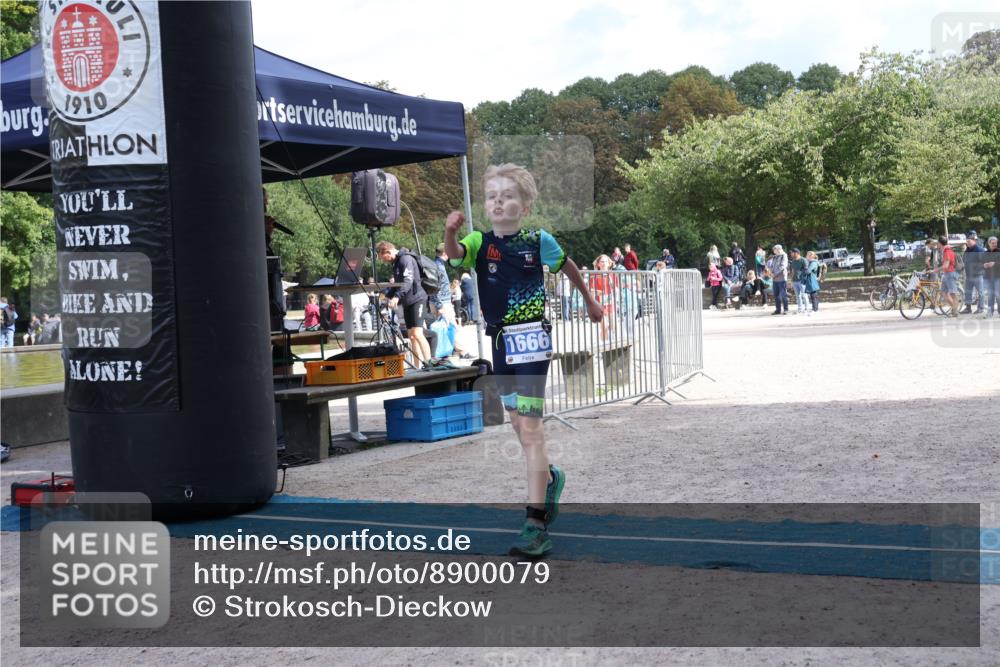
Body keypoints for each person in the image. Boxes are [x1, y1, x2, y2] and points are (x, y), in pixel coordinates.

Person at [444, 163, 602, 558]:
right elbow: (455, 255)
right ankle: (550, 478)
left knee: (530, 431)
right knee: (517, 424)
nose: (498, 201)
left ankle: (535, 524)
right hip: (499, 342)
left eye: (508, 195)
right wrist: (449, 230)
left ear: (525, 206)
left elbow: (567, 265)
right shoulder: (479, 241)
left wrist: (589, 299)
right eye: (492, 195)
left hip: (532, 341)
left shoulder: (538, 240)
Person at [376, 240, 432, 366]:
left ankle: (429, 363)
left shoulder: (405, 259)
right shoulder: (396, 263)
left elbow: (407, 281)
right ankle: (417, 366)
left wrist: (396, 297)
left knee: (418, 333)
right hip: (407, 301)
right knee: (411, 336)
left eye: (383, 257)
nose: (383, 260)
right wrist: (386, 296)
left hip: (418, 299)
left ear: (388, 252)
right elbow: (398, 284)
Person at [590, 254, 617, 340]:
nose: (603, 263)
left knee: (613, 327)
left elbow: (616, 289)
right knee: (604, 326)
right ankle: (604, 346)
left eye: (605, 261)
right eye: (601, 261)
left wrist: (614, 289)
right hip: (600, 304)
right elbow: (590, 290)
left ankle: (612, 345)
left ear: (609, 263)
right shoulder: (594, 276)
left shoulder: (613, 275)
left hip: (611, 304)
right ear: (598, 264)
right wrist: (597, 292)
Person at [933, 235, 960, 317]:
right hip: (946, 274)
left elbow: (945, 266)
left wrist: (934, 270)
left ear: (940, 243)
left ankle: (955, 312)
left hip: (950, 274)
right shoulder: (945, 251)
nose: (937, 245)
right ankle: (954, 309)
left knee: (953, 294)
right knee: (943, 292)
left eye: (937, 243)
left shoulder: (947, 251)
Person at [961, 232, 985, 315]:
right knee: (967, 292)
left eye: (969, 241)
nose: (967, 242)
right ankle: (968, 308)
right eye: (967, 241)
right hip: (969, 275)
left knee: (981, 292)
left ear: (974, 241)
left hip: (978, 275)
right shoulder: (967, 251)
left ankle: (981, 308)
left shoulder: (979, 250)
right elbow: (964, 261)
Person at [766, 245, 789, 315]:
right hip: (775, 279)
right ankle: (778, 310)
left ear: (778, 249)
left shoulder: (784, 256)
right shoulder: (775, 256)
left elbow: (782, 266)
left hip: (782, 278)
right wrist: (770, 272)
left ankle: (786, 309)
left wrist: (774, 274)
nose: (773, 251)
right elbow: (772, 266)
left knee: (783, 295)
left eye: (774, 250)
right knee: (776, 295)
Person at [788, 248, 809, 314]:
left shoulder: (803, 260)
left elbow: (806, 270)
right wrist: (791, 280)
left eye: (792, 253)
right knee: (798, 296)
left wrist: (804, 278)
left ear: (796, 253)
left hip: (801, 280)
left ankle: (806, 308)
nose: (791, 254)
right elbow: (793, 271)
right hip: (795, 281)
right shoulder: (793, 261)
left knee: (804, 295)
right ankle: (800, 309)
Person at [984, 236, 999, 318]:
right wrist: (984, 265)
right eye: (993, 243)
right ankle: (990, 312)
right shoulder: (985, 253)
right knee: (990, 295)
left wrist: (995, 263)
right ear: (989, 243)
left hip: (998, 277)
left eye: (995, 243)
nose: (994, 244)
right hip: (988, 277)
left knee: (998, 295)